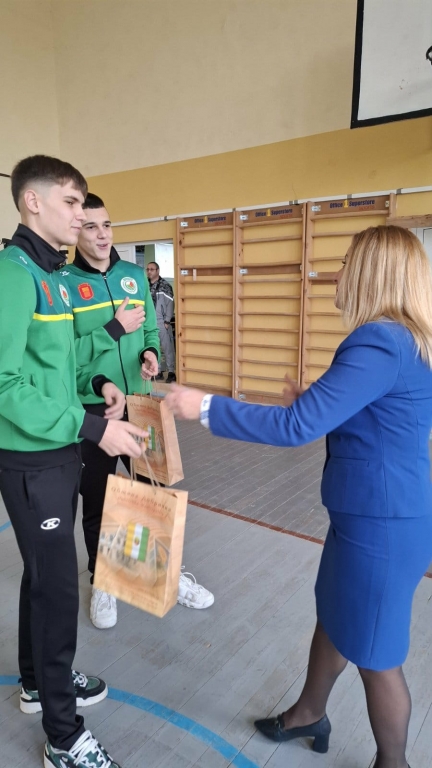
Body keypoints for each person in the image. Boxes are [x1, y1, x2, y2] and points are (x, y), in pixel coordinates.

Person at [166, 225, 432, 768]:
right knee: (334, 614)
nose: (338, 272)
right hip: (370, 517)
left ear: (371, 272)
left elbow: (295, 428)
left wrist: (205, 406)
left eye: (347, 262)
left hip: (382, 525)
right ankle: (309, 713)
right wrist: (315, 400)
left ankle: (394, 762)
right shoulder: (409, 339)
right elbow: (383, 414)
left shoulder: (379, 340)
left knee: (377, 657)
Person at [0, 156, 147, 768]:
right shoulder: (12, 275)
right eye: (71, 202)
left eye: (84, 204)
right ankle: (64, 736)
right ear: (32, 202)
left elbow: (62, 363)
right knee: (60, 592)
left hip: (59, 451)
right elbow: (5, 383)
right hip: (30, 460)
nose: (82, 215)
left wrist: (101, 384)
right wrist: (92, 428)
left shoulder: (54, 277)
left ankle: (37, 683)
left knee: (43, 576)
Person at [65, 194, 214, 627]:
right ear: (75, 231)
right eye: (91, 226)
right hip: (95, 410)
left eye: (107, 225)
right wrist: (113, 330)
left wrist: (150, 354)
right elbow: (66, 356)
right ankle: (103, 581)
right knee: (99, 497)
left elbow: (149, 328)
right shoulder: (65, 284)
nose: (102, 234)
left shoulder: (133, 276)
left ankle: (168, 573)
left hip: (142, 404)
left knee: (154, 493)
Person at [146, 261, 176, 382]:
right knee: (154, 347)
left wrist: (167, 321)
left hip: (162, 321)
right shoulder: (145, 285)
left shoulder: (165, 286)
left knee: (167, 348)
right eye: (147, 269)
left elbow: (170, 305)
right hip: (150, 322)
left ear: (157, 271)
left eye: (151, 269)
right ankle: (157, 371)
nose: (149, 271)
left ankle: (171, 372)